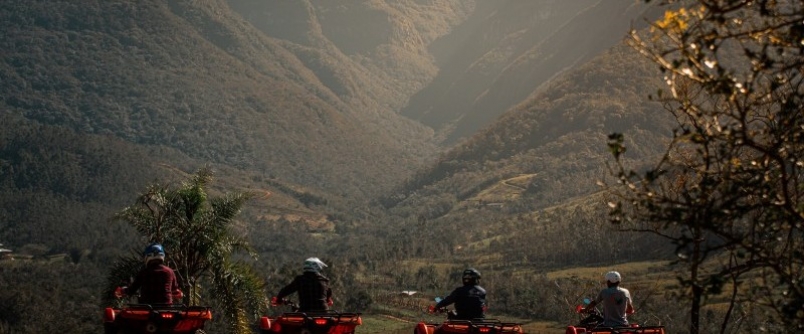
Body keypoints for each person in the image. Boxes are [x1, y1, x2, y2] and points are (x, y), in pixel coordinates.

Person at [116, 243, 183, 305]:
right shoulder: (170, 271)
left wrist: (122, 291)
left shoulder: (144, 272)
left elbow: (132, 290)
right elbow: (175, 290)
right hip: (166, 306)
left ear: (147, 257)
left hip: (147, 307)